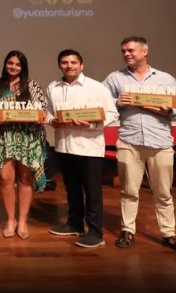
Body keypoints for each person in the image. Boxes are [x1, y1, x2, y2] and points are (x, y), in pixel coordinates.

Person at [103, 36, 176, 256]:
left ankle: (169, 233)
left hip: (160, 141)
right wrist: (117, 102)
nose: (126, 54)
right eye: (123, 51)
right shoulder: (115, 78)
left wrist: (169, 110)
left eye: (131, 50)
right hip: (129, 141)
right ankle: (127, 230)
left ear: (145, 52)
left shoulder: (165, 78)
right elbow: (101, 102)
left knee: (163, 192)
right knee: (128, 190)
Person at [45, 49, 119, 248]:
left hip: (89, 147)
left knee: (92, 192)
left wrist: (92, 124)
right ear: (59, 65)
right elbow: (48, 112)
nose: (69, 66)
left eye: (73, 62)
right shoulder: (53, 87)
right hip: (64, 146)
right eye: (64, 62)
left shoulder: (96, 87)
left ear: (81, 65)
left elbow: (112, 114)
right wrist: (53, 121)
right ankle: (74, 224)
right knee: (72, 189)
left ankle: (95, 232)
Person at [0, 50, 46, 239]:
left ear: (23, 67)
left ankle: (22, 222)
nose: (13, 67)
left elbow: (42, 111)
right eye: (10, 63)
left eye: (18, 64)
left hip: (28, 137)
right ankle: (10, 220)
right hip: (5, 137)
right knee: (5, 179)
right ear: (5, 64)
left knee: (25, 179)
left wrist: (32, 116)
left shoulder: (31, 85)